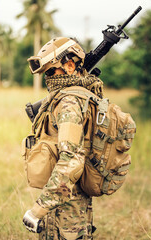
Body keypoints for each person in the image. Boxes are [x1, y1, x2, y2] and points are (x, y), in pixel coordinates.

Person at [22, 37, 103, 240]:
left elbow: (71, 161)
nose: (48, 79)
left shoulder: (69, 102)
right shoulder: (73, 96)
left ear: (69, 65)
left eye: (51, 71)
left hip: (66, 208)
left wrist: (38, 210)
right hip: (64, 202)